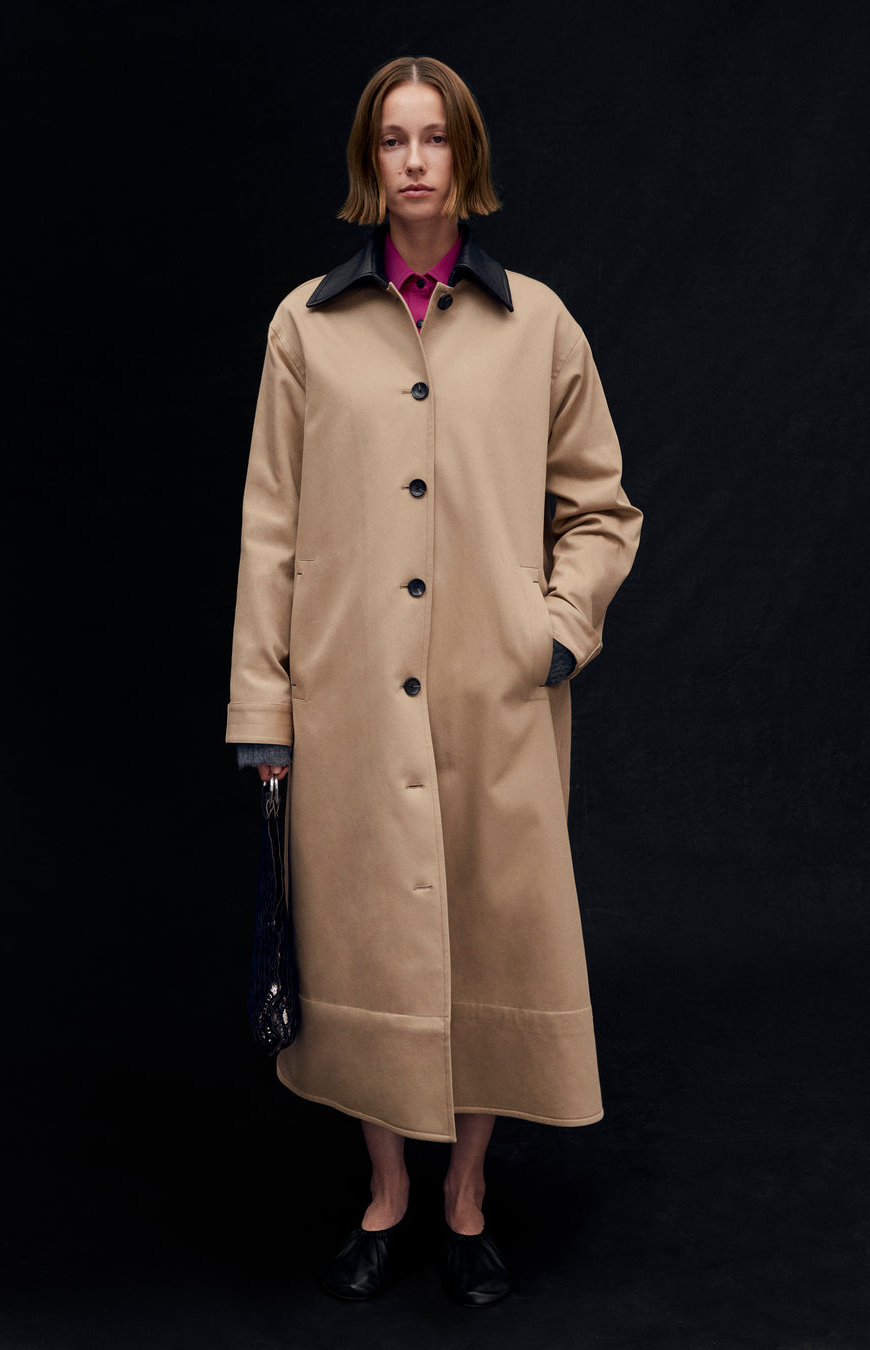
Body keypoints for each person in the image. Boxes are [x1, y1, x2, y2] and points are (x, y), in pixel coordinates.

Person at [226, 55, 642, 1306]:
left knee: (487, 945)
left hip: (492, 702)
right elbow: (269, 530)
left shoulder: (540, 326)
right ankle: (385, 1191)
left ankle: (464, 1195)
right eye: (393, 140)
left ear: (467, 156)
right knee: (370, 948)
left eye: (436, 138)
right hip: (347, 705)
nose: (415, 161)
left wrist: (551, 633)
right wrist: (264, 710)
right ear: (371, 161)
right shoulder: (305, 327)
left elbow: (603, 507)